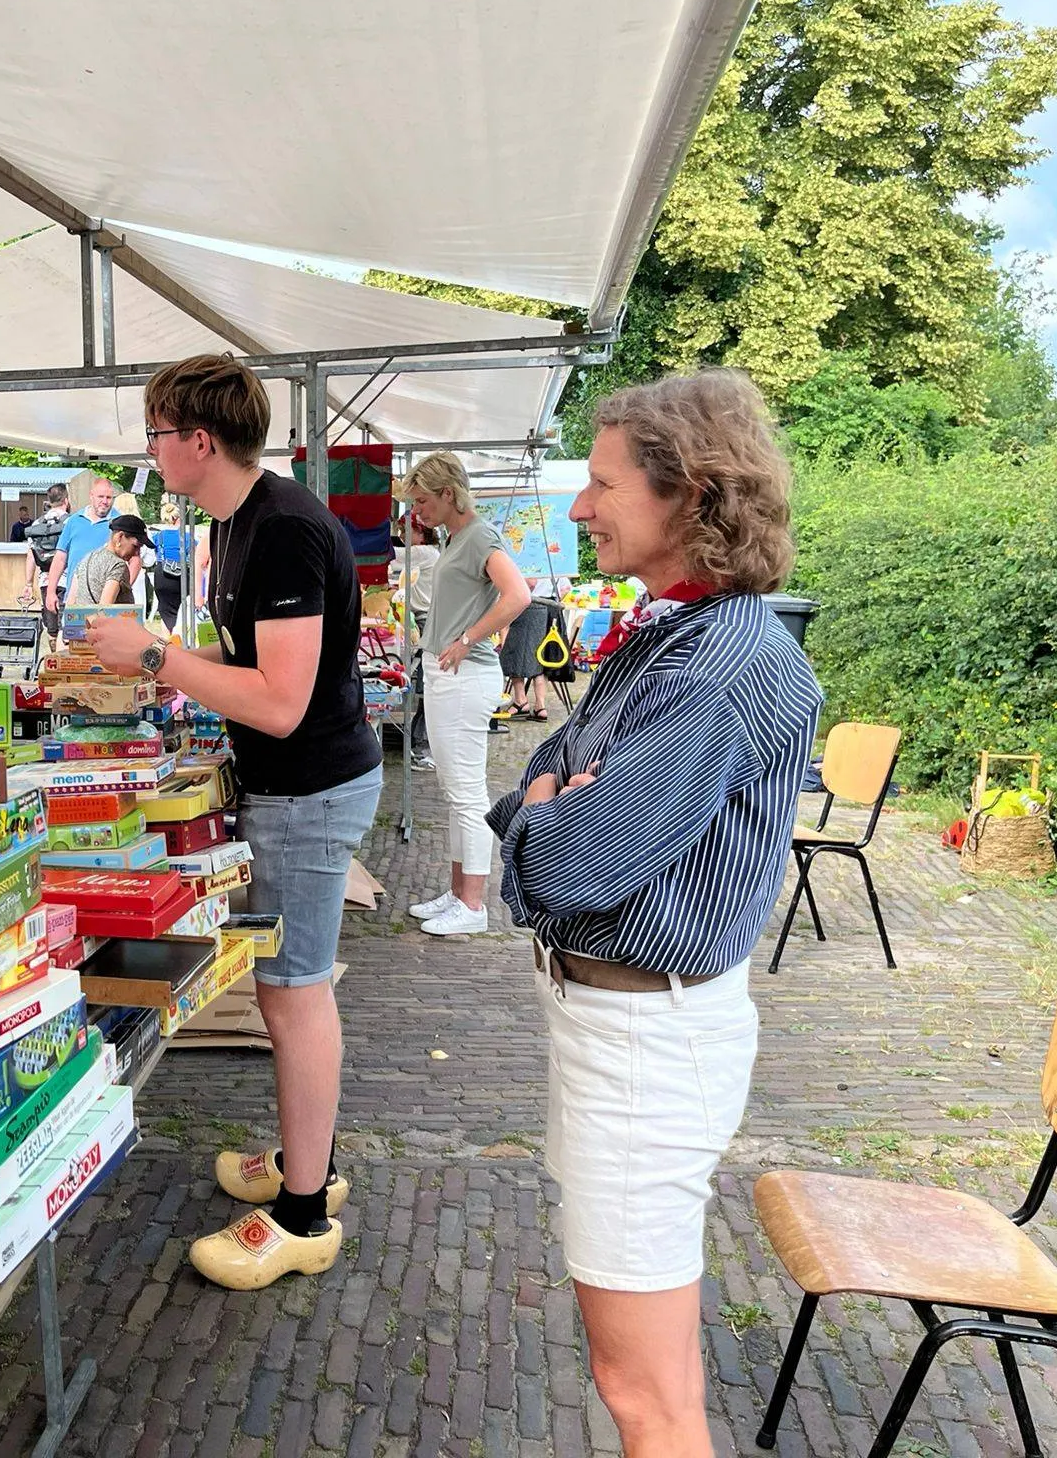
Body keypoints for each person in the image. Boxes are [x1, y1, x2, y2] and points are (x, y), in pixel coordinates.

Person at [488, 370, 819, 1456]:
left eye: (599, 483)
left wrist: (548, 817)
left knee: (644, 1398)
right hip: (623, 1027)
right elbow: (536, 780)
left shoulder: (723, 659)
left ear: (692, 494)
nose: (579, 509)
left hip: (641, 1044)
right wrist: (547, 808)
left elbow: (572, 859)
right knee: (653, 1377)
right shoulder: (681, 634)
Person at [87, 354, 381, 1291]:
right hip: (296, 786)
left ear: (197, 440)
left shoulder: (284, 530)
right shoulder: (246, 520)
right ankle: (309, 1162)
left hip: (308, 787)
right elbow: (252, 656)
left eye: (156, 436)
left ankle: (302, 1212)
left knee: (295, 993)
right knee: (289, 991)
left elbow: (284, 701)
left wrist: (157, 655)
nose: (151, 452)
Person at [399, 454, 531, 938]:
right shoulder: (460, 537)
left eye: (423, 500)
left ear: (449, 494)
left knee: (467, 795)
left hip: (461, 673)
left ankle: (472, 904)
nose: (418, 511)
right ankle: (459, 894)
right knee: (458, 794)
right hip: (446, 671)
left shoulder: (479, 536)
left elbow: (517, 595)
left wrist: (468, 638)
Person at [398, 516, 441, 768]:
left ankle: (421, 747)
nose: (403, 535)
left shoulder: (423, 552)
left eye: (406, 531)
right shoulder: (426, 552)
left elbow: (391, 558)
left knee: (427, 685)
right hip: (420, 618)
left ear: (421, 533)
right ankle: (419, 743)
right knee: (427, 684)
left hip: (423, 620)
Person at [43, 477, 116, 611]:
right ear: (91, 496)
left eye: (109, 497)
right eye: (101, 496)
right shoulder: (74, 520)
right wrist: (51, 591)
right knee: (72, 631)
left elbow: (135, 559)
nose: (104, 501)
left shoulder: (119, 522)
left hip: (106, 602)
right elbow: (60, 558)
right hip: (74, 598)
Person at [502, 574, 558, 720]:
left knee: (515, 654)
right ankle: (540, 706)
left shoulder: (530, 557)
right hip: (550, 608)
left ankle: (521, 701)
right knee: (539, 658)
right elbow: (565, 588)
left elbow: (531, 583)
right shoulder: (552, 558)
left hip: (529, 606)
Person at [66, 513, 149, 607]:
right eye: (135, 546)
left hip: (81, 621)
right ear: (120, 537)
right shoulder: (118, 565)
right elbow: (105, 609)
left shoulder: (87, 558)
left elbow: (70, 604)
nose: (137, 553)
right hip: (107, 621)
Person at [20, 484, 69, 635]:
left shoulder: (37, 524)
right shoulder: (71, 522)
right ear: (66, 501)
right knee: (67, 629)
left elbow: (31, 555)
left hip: (45, 581)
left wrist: (28, 584)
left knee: (52, 630)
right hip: (67, 580)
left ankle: (53, 655)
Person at [150, 497, 189, 631]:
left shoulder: (158, 536)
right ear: (179, 518)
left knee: (164, 612)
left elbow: (149, 556)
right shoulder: (187, 537)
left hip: (161, 575)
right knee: (183, 610)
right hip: (181, 575)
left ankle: (166, 643)